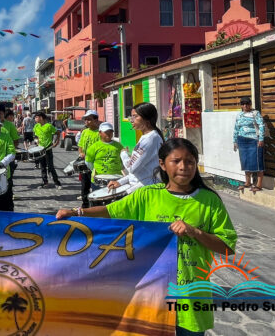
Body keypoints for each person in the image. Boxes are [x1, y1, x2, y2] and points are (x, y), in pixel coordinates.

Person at [56, 138, 237, 335]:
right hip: (150, 296)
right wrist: (76, 213)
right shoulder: (147, 196)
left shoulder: (209, 201)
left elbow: (227, 247)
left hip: (191, 299)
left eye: (190, 162)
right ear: (162, 164)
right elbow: (109, 211)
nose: (184, 167)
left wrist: (195, 232)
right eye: (176, 161)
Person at [107, 102, 164, 195]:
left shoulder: (150, 139)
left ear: (146, 118)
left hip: (146, 191)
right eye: (131, 116)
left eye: (135, 116)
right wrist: (120, 182)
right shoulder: (147, 137)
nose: (131, 120)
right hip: (141, 187)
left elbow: (132, 168)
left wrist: (123, 154)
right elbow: (138, 172)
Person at [233, 96, 265, 193]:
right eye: (243, 104)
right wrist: (235, 141)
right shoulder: (239, 115)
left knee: (257, 162)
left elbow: (261, 125)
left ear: (250, 104)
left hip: (254, 140)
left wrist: (261, 139)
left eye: (247, 104)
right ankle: (247, 182)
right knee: (245, 161)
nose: (245, 106)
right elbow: (236, 128)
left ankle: (259, 185)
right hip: (242, 140)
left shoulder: (255, 113)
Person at [85, 122, 124, 187]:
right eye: (106, 132)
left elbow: (123, 161)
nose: (109, 134)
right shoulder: (94, 147)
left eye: (110, 131)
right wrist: (96, 169)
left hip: (116, 180)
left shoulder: (119, 146)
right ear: (100, 133)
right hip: (99, 180)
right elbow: (88, 162)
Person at [76, 109, 101, 208]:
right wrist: (81, 152)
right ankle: (85, 206)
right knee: (84, 186)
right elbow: (80, 145)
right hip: (85, 163)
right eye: (85, 119)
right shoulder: (85, 132)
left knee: (96, 186)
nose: (86, 121)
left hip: (96, 165)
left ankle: (96, 207)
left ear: (96, 120)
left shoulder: (100, 133)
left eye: (89, 119)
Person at [33, 111, 62, 189]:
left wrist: (56, 142)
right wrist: (37, 141)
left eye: (36, 117)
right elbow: (36, 136)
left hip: (48, 148)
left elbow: (58, 133)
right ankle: (45, 182)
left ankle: (57, 183)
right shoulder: (36, 126)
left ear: (41, 118)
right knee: (42, 166)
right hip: (40, 149)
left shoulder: (49, 126)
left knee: (50, 166)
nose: (35, 119)